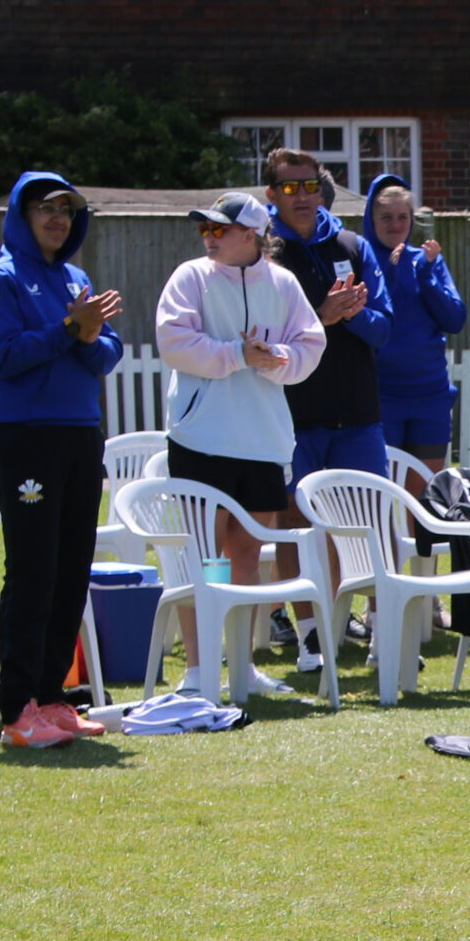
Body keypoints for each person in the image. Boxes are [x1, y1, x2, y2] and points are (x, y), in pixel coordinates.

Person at [0, 171, 126, 747]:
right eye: (45, 208)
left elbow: (108, 351)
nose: (58, 218)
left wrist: (86, 335)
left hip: (80, 433)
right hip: (23, 434)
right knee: (33, 569)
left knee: (70, 569)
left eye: (67, 208)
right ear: (21, 214)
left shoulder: (76, 277)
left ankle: (54, 698)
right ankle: (18, 710)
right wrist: (70, 330)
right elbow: (5, 356)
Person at [154, 191, 325, 698]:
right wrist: (237, 354)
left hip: (263, 442)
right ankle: (196, 672)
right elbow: (173, 343)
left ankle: (242, 669)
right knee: (201, 555)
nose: (208, 237)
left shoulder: (284, 282)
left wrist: (279, 360)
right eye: (205, 230)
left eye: (218, 229)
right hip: (199, 439)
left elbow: (310, 343)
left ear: (251, 235)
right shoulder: (190, 277)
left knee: (247, 558)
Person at [265, 149, 391, 668]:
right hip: (293, 415)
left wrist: (353, 316)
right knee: (297, 525)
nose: (302, 196)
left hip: (357, 413)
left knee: (370, 523)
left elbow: (385, 327)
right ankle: (313, 635)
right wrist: (324, 316)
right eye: (290, 188)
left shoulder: (353, 245)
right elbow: (265, 340)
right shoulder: (262, 254)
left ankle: (384, 632)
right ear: (271, 194)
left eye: (310, 185)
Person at [364, 175, 465, 472]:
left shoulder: (426, 260)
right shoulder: (362, 259)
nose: (395, 224)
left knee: (426, 490)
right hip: (382, 394)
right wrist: (392, 275)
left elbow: (455, 319)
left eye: (402, 217)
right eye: (386, 217)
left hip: (430, 393)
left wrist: (425, 274)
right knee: (380, 491)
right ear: (372, 218)